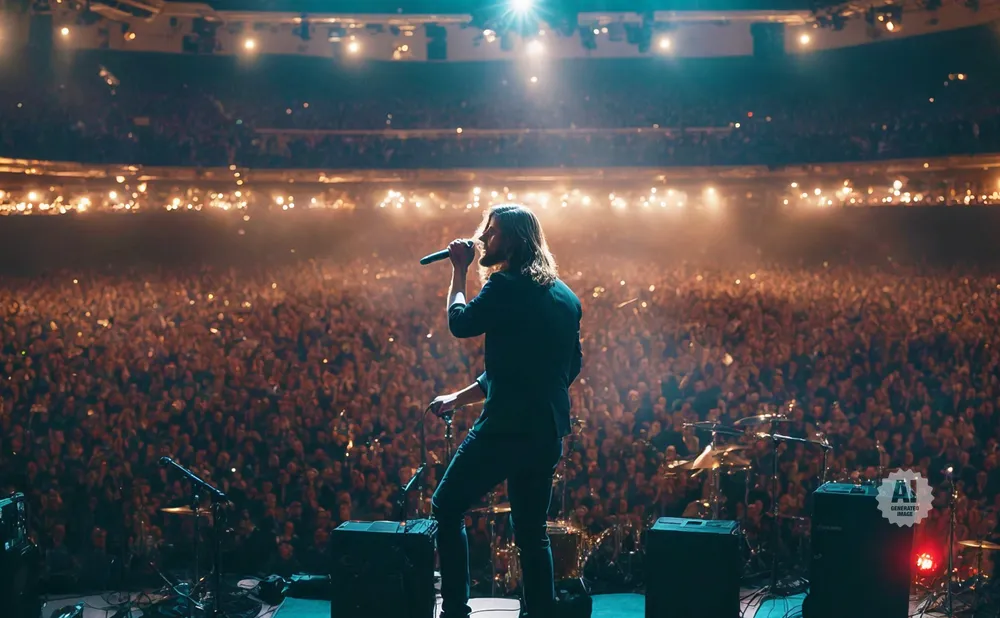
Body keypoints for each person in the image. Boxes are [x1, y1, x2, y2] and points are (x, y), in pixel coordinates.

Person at [428, 204, 583, 618]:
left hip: (504, 429)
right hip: (546, 431)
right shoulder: (566, 297)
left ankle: (456, 609)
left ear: (514, 240)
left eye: (491, 232)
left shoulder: (504, 286)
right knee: (532, 535)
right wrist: (457, 400)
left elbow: (459, 322)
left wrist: (459, 270)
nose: (482, 239)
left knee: (445, 506)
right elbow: (565, 368)